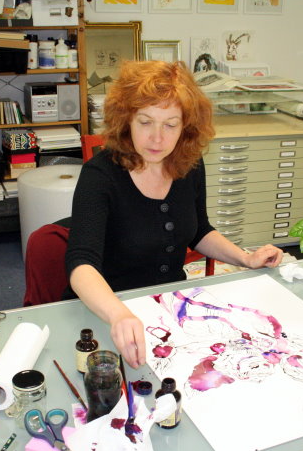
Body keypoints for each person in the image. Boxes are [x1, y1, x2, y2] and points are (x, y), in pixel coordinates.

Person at [65, 60, 283, 368]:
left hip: (168, 310)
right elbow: (81, 263)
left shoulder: (188, 163)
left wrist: (245, 258)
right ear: (126, 120)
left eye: (170, 125)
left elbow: (199, 230)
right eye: (145, 122)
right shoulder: (99, 175)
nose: (157, 138)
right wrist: (118, 314)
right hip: (107, 313)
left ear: (186, 127)